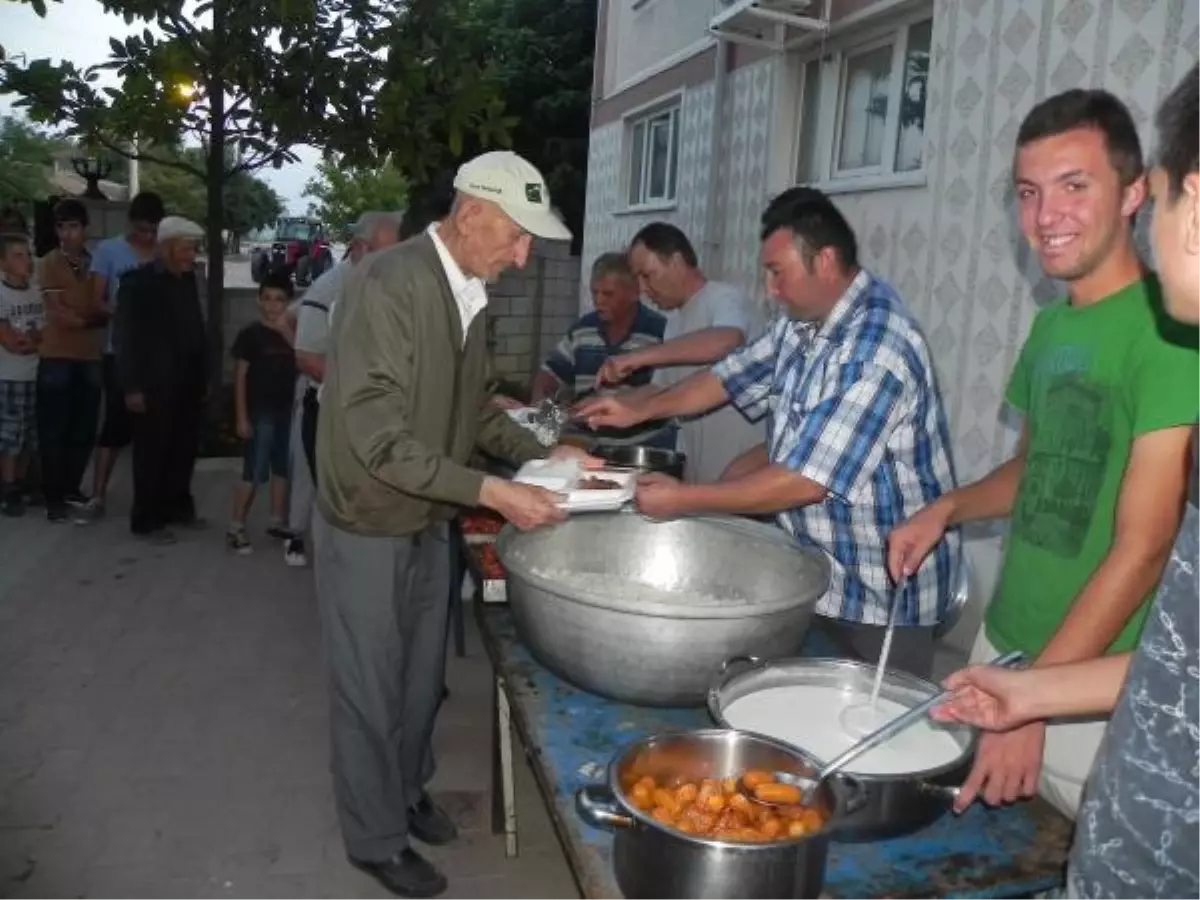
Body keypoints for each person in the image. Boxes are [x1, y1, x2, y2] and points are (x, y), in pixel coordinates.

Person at [888, 89, 1200, 821]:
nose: (1045, 216)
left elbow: (1146, 546)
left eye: (1074, 186)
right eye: (1030, 193)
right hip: (1006, 642)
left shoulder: (1174, 333)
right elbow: (1033, 469)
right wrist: (947, 509)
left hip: (1090, 682)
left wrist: (1032, 707)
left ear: (1134, 194)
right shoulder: (1053, 329)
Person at [315, 150, 595, 897]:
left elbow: (474, 411)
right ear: (470, 214)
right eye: (516, 234)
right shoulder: (389, 285)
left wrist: (547, 444)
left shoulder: (469, 290)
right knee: (370, 689)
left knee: (417, 681)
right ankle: (373, 839)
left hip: (426, 514)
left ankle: (405, 793)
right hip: (369, 519)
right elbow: (377, 441)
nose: (524, 253)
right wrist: (495, 495)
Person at [579, 197, 959, 679]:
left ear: (824, 261)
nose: (770, 289)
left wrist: (689, 500)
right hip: (814, 575)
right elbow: (728, 377)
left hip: (880, 596)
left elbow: (805, 480)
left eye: (778, 272)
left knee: (868, 738)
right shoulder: (799, 327)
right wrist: (640, 407)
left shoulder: (876, 347)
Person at [596, 222, 764, 481]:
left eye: (647, 275)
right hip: (698, 471)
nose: (642, 289)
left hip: (743, 473)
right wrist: (609, 403)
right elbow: (659, 390)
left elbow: (727, 340)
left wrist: (638, 357)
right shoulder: (674, 322)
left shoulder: (724, 298)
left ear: (676, 261)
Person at [283, 210, 402, 566]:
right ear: (360, 248)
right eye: (388, 253)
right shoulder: (329, 288)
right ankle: (301, 540)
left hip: (363, 408)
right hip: (327, 404)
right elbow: (307, 358)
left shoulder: (383, 284)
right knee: (318, 482)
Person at [115, 216, 208, 544]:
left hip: (186, 382)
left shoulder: (187, 280)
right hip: (153, 384)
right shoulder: (137, 283)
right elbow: (125, 338)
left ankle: (177, 508)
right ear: (167, 247)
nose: (191, 255)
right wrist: (132, 387)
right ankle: (146, 519)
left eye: (194, 248)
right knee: (152, 453)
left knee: (182, 449)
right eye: (186, 248)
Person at [530, 251, 672, 448]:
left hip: (643, 448)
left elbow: (667, 390)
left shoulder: (661, 332)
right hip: (585, 447)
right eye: (594, 292)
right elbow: (548, 376)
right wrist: (543, 415)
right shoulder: (582, 331)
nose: (598, 301)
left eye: (608, 294)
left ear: (634, 292)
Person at [88, 191, 164, 516]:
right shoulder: (109, 250)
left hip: (157, 358)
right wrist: (125, 316)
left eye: (152, 230)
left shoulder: (164, 254)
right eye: (141, 230)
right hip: (119, 353)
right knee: (115, 427)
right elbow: (96, 300)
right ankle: (98, 495)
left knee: (156, 430)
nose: (146, 236)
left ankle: (153, 498)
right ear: (130, 223)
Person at [36, 199, 107, 524]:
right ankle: (53, 498)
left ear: (84, 229)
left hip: (89, 356)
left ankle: (70, 488)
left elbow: (104, 304)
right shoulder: (50, 262)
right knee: (54, 430)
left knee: (83, 429)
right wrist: (90, 319)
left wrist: (92, 317)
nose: (67, 234)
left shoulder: (95, 263)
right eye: (61, 227)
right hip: (57, 356)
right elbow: (58, 312)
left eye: (73, 226)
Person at [227, 272, 297, 554]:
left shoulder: (293, 331)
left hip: (287, 411)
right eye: (267, 298)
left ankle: (277, 521)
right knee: (254, 469)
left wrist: (286, 332)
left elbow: (304, 356)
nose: (272, 305)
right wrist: (241, 416)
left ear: (288, 303)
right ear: (258, 300)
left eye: (279, 300)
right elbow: (240, 377)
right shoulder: (251, 335)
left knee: (282, 467)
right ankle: (236, 526)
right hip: (259, 412)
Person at [0, 233, 43, 517]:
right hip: (8, 374)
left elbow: (42, 329)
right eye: (17, 255)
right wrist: (23, 342)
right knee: (10, 435)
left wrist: (33, 339)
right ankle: (8, 487)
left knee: (29, 433)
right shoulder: (1, 293)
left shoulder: (35, 291)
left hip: (34, 372)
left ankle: (23, 482)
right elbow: (8, 340)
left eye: (27, 254)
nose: (26, 260)